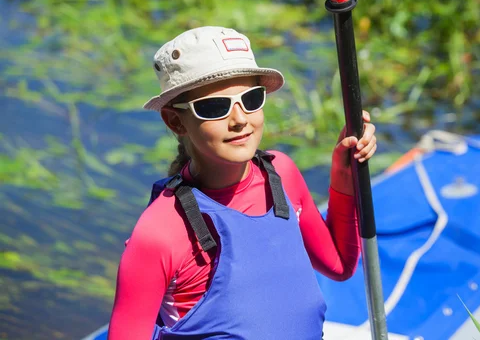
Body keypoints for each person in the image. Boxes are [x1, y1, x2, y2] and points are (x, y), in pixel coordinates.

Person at [108, 26, 378, 340]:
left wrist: (344, 176)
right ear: (175, 120)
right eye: (214, 107)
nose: (240, 119)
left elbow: (339, 264)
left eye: (251, 99)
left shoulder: (281, 175)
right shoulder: (159, 233)